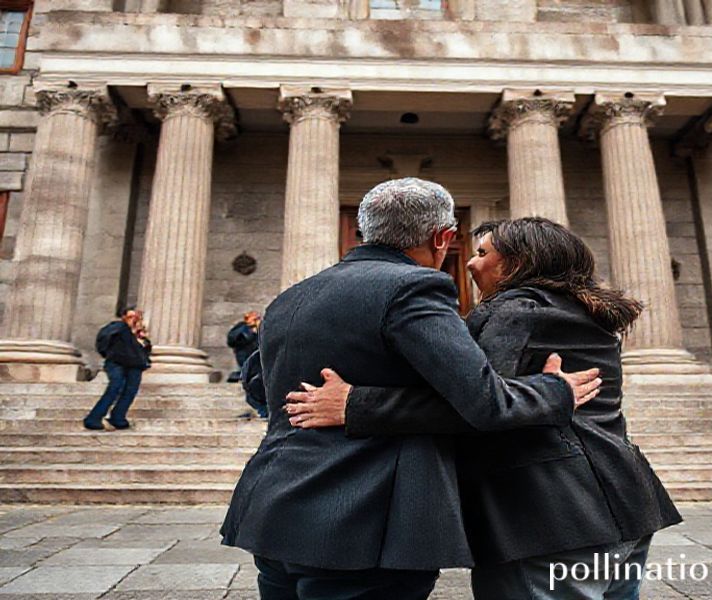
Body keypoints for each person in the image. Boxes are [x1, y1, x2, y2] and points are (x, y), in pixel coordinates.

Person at [220, 179, 602, 600]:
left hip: (273, 510)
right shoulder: (415, 287)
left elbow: (258, 387)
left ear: (366, 230)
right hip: (363, 523)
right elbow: (484, 401)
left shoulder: (291, 297)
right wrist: (553, 391)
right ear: (441, 237)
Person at [286, 217, 683, 600]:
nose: (471, 263)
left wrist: (355, 404)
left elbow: (476, 403)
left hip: (549, 517)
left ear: (516, 263)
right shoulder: (585, 313)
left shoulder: (514, 311)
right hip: (627, 504)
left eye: (481, 252)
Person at [84, 306, 152, 431]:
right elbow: (105, 339)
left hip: (134, 365)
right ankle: (94, 418)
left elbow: (145, 351)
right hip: (117, 362)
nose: (134, 320)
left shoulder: (139, 335)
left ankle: (118, 417)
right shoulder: (118, 327)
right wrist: (128, 329)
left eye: (137, 317)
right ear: (124, 317)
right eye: (131, 317)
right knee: (116, 385)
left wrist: (141, 338)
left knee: (130, 391)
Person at [226, 311, 261, 382]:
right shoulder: (242, 327)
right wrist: (249, 332)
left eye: (256, 319)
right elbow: (232, 339)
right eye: (253, 318)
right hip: (244, 354)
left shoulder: (261, 329)